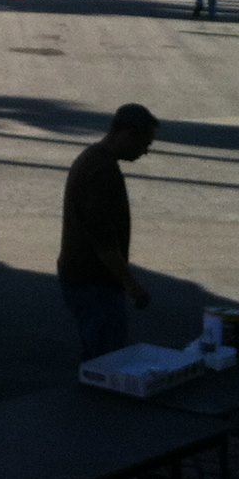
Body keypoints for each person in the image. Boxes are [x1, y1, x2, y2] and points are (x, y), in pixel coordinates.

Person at [58, 104, 159, 361]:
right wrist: (131, 285)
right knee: (107, 362)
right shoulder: (102, 171)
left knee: (97, 354)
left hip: (81, 278)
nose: (145, 151)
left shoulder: (92, 159)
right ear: (126, 134)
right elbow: (103, 239)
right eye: (144, 143)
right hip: (94, 283)